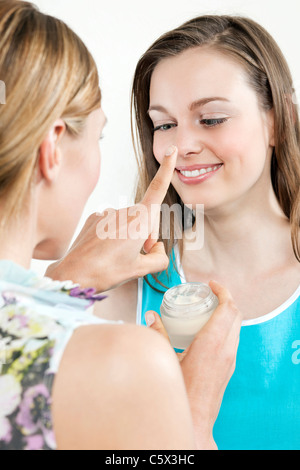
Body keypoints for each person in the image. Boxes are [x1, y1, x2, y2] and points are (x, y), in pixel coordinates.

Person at [0, 1, 242, 450]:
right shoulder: (125, 362)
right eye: (99, 135)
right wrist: (192, 419)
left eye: (210, 119)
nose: (180, 146)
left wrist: (61, 287)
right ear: (52, 146)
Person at [94, 15, 300, 450]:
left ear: (279, 121)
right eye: (163, 124)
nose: (178, 146)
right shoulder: (123, 289)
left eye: (211, 119)